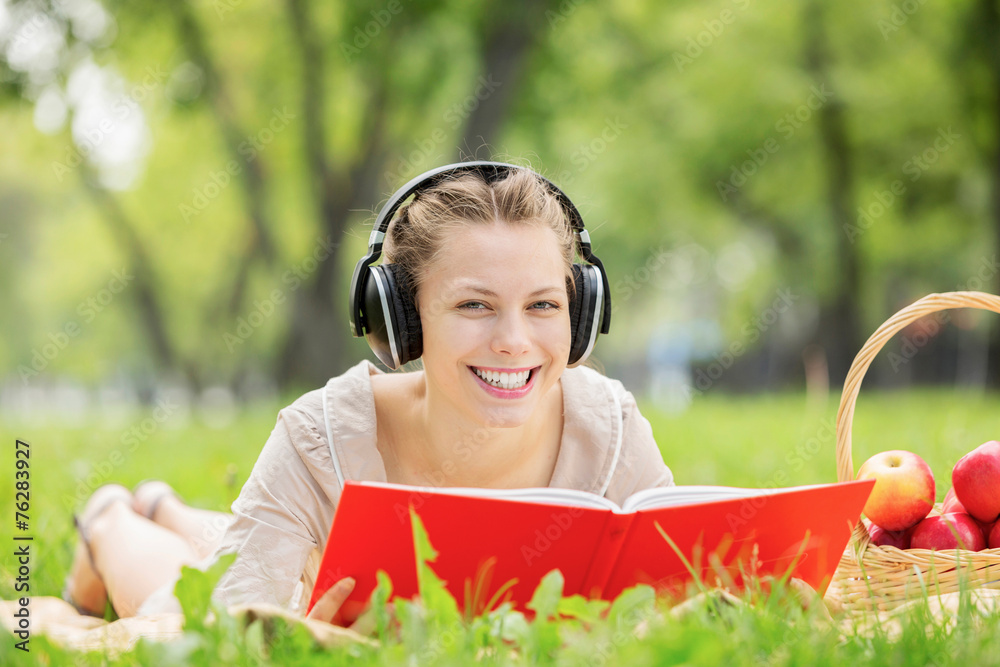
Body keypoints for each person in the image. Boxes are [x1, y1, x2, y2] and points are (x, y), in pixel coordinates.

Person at [62, 161, 675, 630]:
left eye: (543, 305)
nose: (515, 341)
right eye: (473, 305)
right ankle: (112, 520)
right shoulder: (320, 438)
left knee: (250, 552)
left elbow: (686, 598)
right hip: (243, 580)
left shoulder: (610, 431)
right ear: (402, 321)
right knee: (177, 604)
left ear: (582, 312)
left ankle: (163, 507)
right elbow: (226, 626)